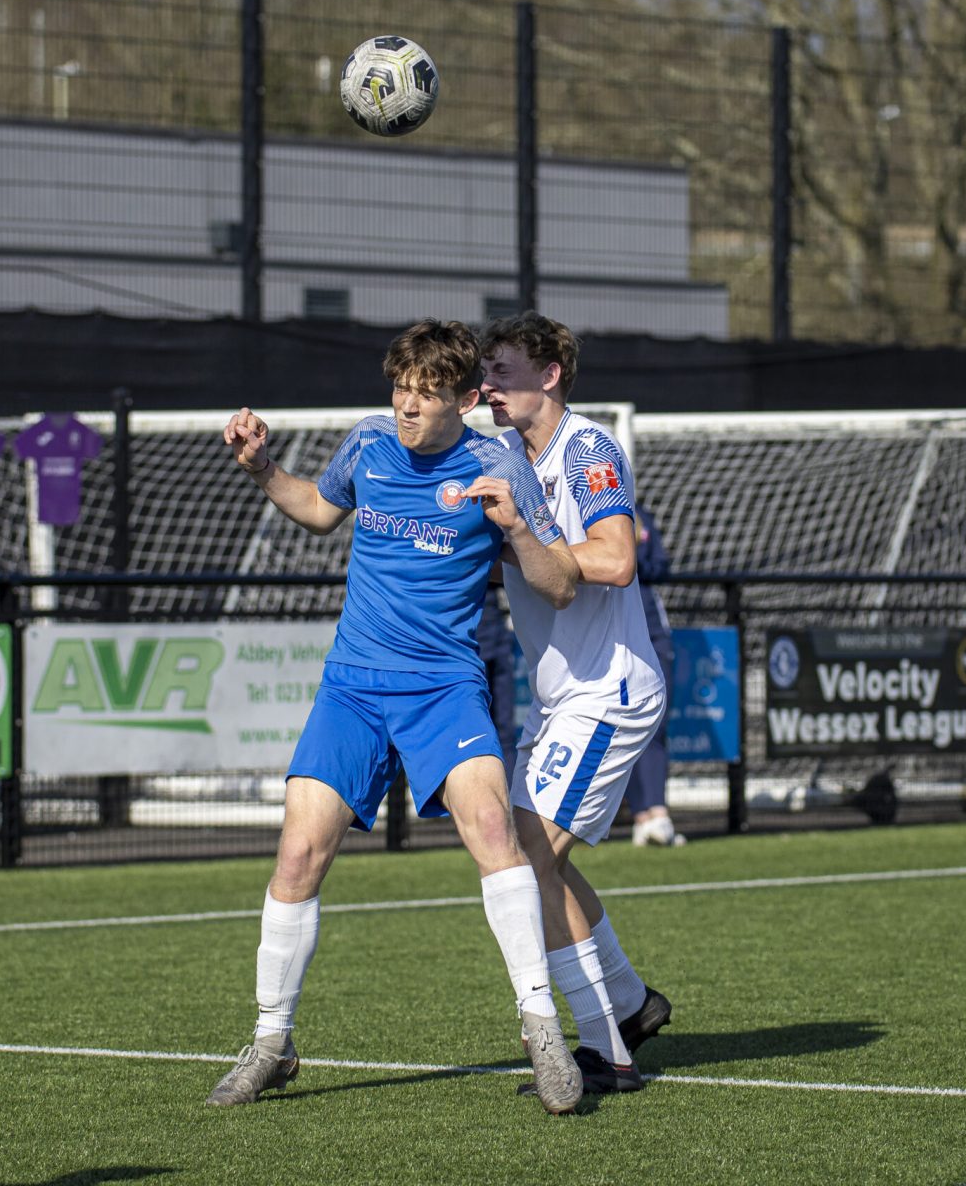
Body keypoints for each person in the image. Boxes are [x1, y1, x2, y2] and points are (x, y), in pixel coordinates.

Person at [207, 319, 588, 1114]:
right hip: (352, 686)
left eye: (425, 394)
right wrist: (262, 468)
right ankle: (271, 1043)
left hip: (442, 687)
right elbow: (319, 510)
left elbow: (561, 585)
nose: (406, 407)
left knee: (494, 832)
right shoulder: (369, 443)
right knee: (297, 855)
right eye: (399, 390)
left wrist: (519, 528)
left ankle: (543, 1029)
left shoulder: (499, 465)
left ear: (463, 399)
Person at [478, 312, 673, 1096]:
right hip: (560, 696)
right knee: (537, 857)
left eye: (503, 372)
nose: (489, 387)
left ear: (551, 374)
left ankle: (606, 1049)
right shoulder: (508, 455)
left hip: (608, 690)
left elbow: (618, 559)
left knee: (528, 858)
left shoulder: (586, 448)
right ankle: (628, 1002)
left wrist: (530, 543)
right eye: (485, 373)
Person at [625, 500, 685, 848]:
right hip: (613, 630)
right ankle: (640, 815)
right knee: (623, 725)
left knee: (656, 722)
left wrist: (632, 551)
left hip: (651, 629)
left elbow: (660, 565)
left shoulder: (640, 513)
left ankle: (658, 812)